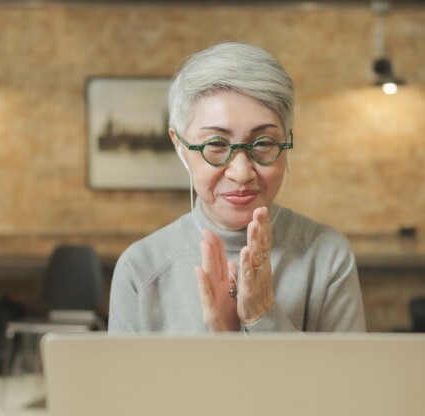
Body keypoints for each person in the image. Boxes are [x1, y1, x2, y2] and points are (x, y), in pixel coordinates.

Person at [108, 42, 365, 333]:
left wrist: (263, 314)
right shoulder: (141, 268)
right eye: (216, 144)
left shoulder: (326, 256)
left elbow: (344, 379)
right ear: (179, 145)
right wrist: (223, 337)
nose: (242, 173)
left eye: (264, 143)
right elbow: (130, 381)